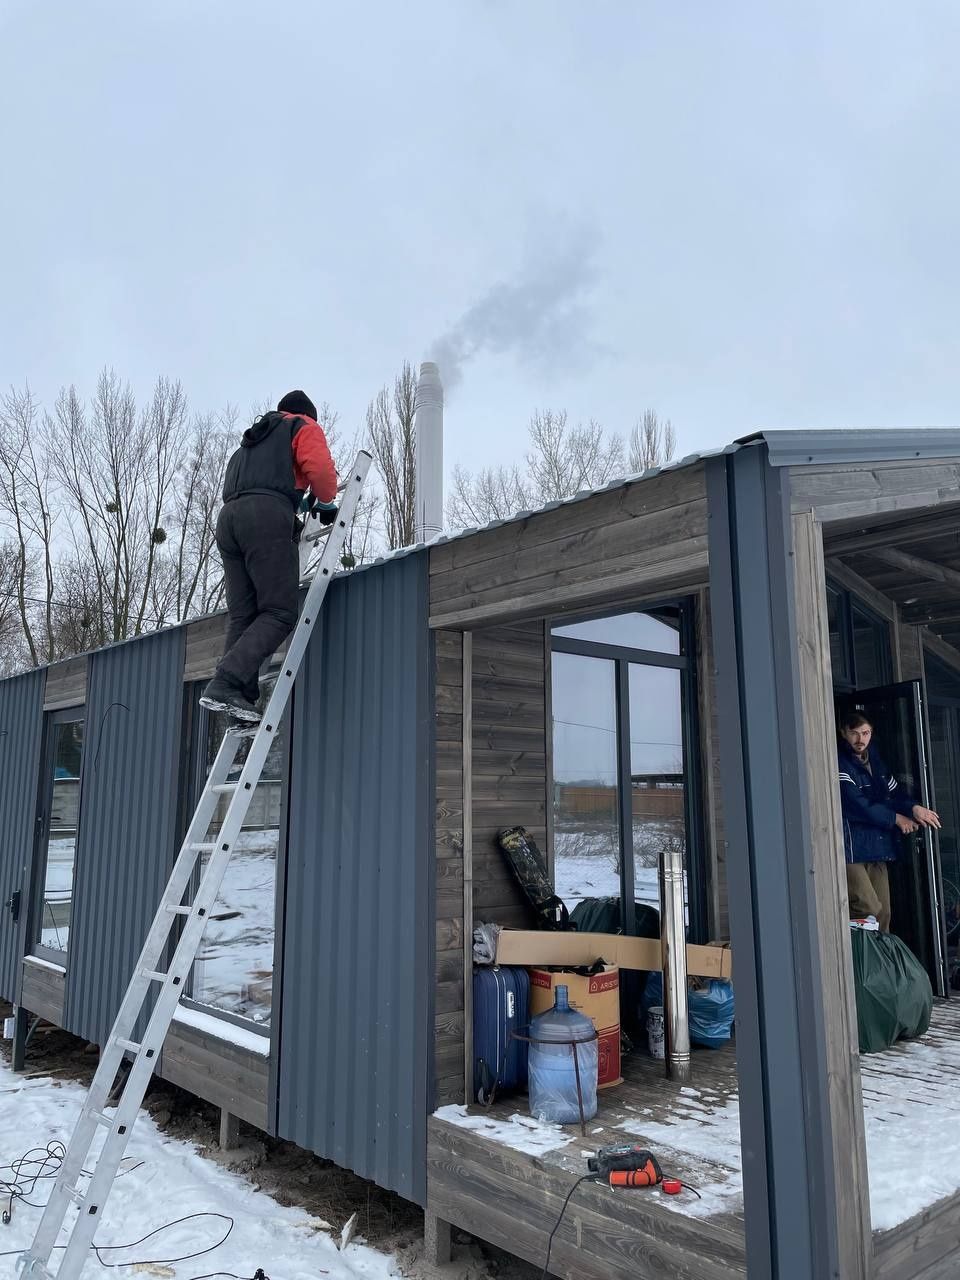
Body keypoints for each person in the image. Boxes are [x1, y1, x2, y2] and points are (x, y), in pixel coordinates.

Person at [200, 390, 338, 725]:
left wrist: (297, 502)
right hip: (265, 517)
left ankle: (238, 699)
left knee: (243, 615)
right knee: (279, 611)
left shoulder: (251, 442)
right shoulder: (302, 425)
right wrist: (326, 500)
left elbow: (266, 486)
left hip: (229, 520)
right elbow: (320, 473)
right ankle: (227, 681)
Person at [838, 710, 941, 933]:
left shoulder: (877, 763)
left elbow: (894, 794)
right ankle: (857, 961)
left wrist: (914, 808)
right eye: (854, 733)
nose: (860, 739)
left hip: (877, 847)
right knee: (868, 907)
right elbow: (856, 804)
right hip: (850, 848)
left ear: (872, 733)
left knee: (884, 911)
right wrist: (895, 818)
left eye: (865, 733)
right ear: (843, 733)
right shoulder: (839, 763)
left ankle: (881, 963)